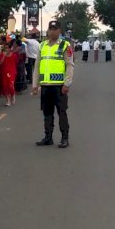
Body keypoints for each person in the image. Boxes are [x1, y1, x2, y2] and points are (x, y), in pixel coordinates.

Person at [32, 20, 74, 148]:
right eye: (50, 29)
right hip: (45, 86)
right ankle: (48, 137)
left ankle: (64, 138)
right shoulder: (42, 45)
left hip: (59, 86)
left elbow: (70, 66)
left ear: (59, 31)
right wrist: (35, 84)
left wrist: (67, 83)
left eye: (55, 29)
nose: (52, 31)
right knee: (47, 113)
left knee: (62, 112)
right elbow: (37, 66)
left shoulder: (65, 46)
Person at [0, 41, 18, 106]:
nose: (6, 49)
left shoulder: (14, 55)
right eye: (5, 48)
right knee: (5, 86)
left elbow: (16, 63)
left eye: (7, 48)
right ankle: (8, 101)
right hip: (4, 72)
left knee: (10, 85)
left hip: (11, 72)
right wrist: (4, 56)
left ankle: (13, 94)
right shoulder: (2, 55)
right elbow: (0, 63)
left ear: (10, 48)